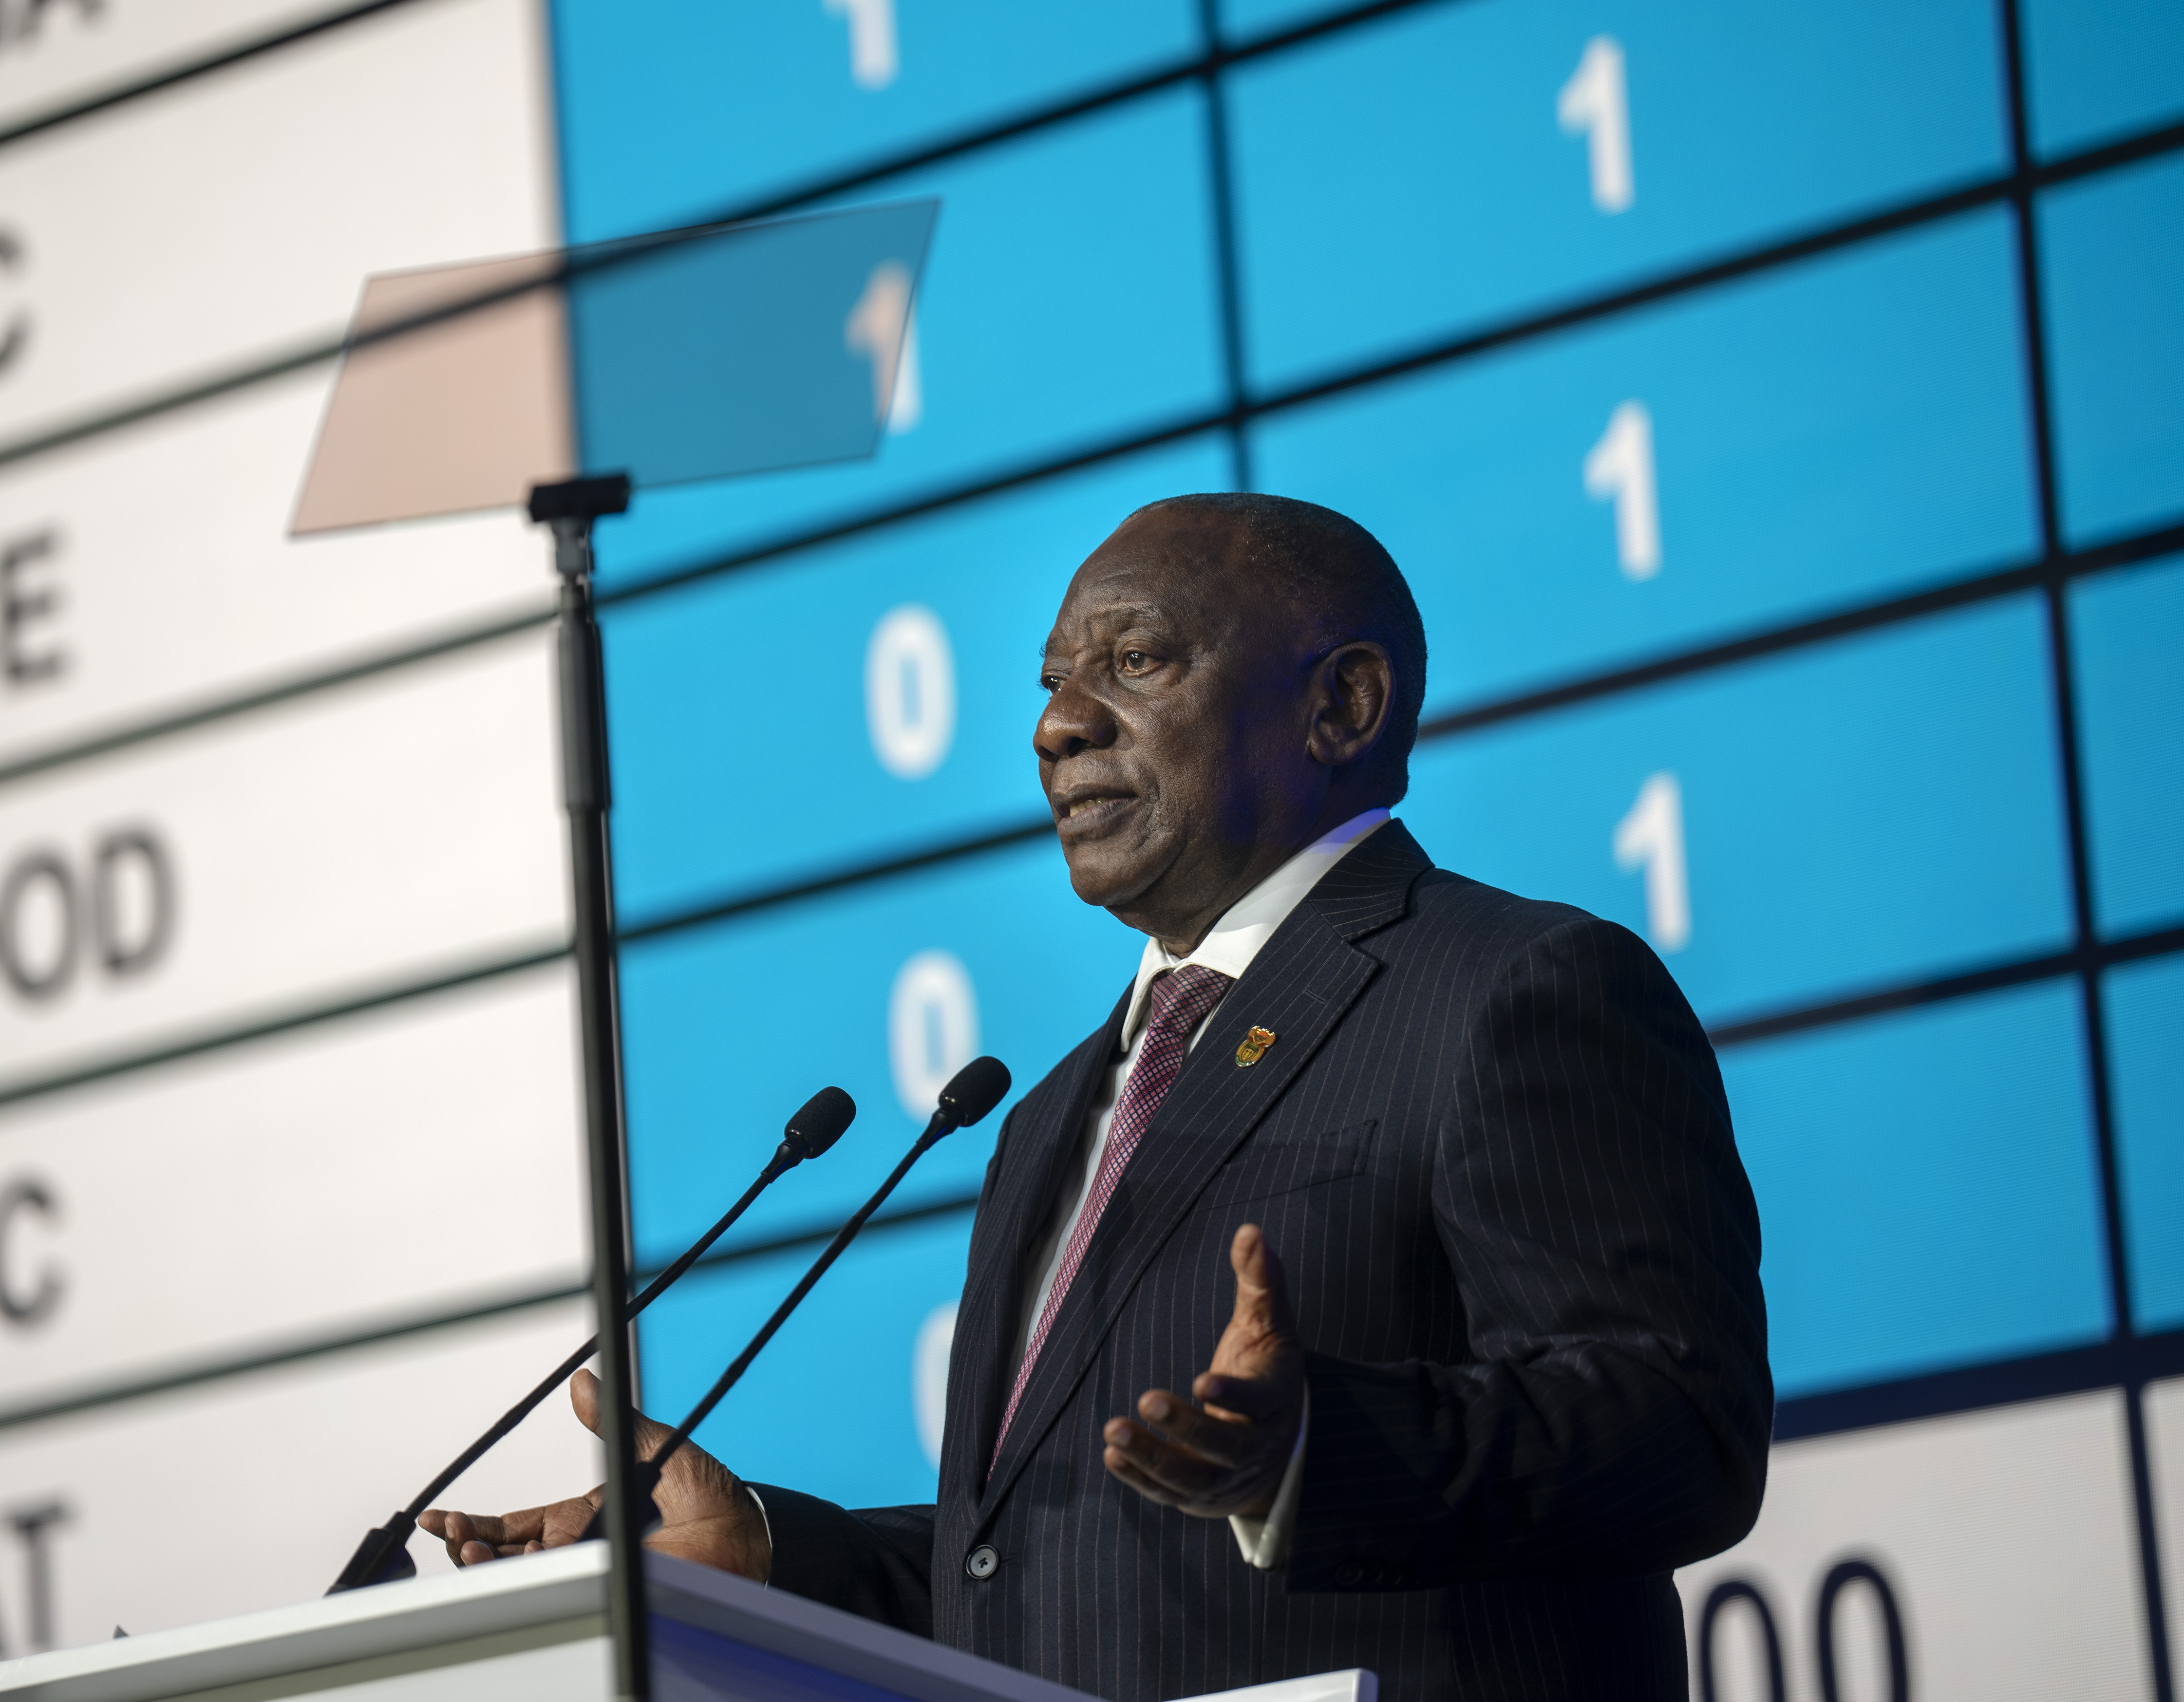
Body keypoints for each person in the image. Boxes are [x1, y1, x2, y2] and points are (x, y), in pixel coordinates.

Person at [426, 494, 1771, 1701]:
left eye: (1135, 661)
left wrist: (1315, 1448)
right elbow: (1045, 1569)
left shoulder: (1514, 987)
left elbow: (1676, 1428)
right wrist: (772, 1553)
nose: (1057, 725)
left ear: (1342, 706)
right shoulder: (1046, 1111)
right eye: (1053, 681)